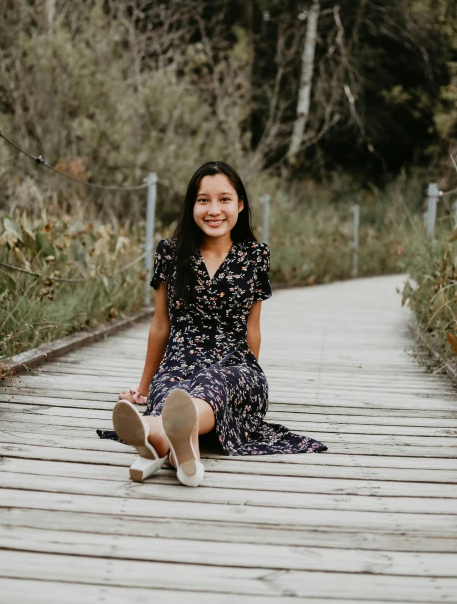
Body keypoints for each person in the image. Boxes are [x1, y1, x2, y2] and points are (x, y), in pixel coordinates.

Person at [97, 160, 327, 486]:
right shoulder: (170, 253)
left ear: (240, 204)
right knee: (172, 396)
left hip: (234, 367)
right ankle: (177, 448)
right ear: (192, 205)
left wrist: (243, 386)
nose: (214, 210)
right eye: (203, 200)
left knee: (210, 390)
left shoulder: (255, 256)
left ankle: (152, 434)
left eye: (224, 199)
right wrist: (145, 388)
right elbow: (160, 325)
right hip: (178, 365)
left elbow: (253, 328)